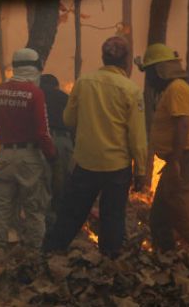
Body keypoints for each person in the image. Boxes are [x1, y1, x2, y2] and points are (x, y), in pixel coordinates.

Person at [43, 36, 147, 258]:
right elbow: (137, 135)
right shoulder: (131, 90)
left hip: (86, 162)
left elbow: (69, 119)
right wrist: (140, 170)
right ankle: (109, 261)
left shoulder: (84, 82)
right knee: (112, 215)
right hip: (117, 167)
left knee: (71, 212)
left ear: (103, 57)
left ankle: (51, 251)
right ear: (126, 61)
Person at [136, 43, 189, 252]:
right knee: (159, 217)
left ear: (161, 70)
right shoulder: (173, 89)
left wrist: (176, 162)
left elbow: (182, 124)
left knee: (181, 214)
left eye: (150, 72)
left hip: (186, 160)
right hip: (179, 159)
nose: (149, 79)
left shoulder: (177, 88)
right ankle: (168, 261)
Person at [0, 48, 57, 250]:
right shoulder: (35, 94)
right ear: (35, 68)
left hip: (3, 158)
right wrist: (52, 156)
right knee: (34, 208)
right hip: (29, 158)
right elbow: (43, 133)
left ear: (14, 67)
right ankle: (35, 254)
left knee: (1, 208)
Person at [38, 74, 74, 227]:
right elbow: (75, 122)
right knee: (63, 181)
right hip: (64, 140)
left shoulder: (36, 96)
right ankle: (61, 223)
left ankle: (45, 222)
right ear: (56, 86)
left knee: (44, 182)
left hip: (42, 141)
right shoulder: (65, 97)